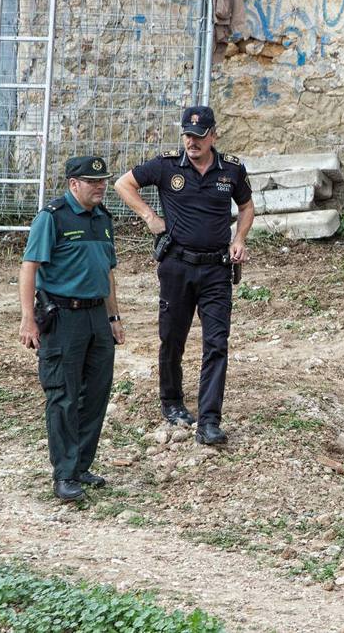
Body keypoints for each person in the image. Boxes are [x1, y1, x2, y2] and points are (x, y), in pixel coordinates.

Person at [113, 105, 253, 445]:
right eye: (188, 135)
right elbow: (123, 184)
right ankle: (172, 401)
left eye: (199, 135)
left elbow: (246, 207)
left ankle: (209, 420)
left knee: (216, 343)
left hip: (217, 269)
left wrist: (239, 239)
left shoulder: (231, 170)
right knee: (172, 338)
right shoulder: (165, 166)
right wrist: (149, 215)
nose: (192, 141)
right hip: (177, 266)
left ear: (213, 136)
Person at [19, 156, 125, 502]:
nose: (100, 186)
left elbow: (107, 272)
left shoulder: (102, 219)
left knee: (95, 393)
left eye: (103, 181)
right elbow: (29, 267)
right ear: (73, 183)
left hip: (96, 316)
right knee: (63, 396)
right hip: (64, 317)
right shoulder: (53, 217)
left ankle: (80, 466)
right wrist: (27, 318)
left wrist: (113, 317)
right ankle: (64, 474)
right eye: (92, 181)